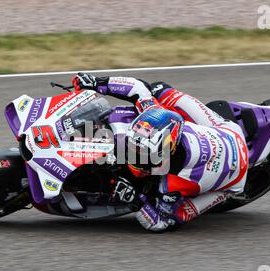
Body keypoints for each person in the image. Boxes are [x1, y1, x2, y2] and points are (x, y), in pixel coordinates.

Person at [72, 73, 248, 232]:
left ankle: (225, 192)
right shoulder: (155, 116)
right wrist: (96, 82)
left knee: (177, 217)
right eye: (134, 149)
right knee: (159, 89)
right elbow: (138, 87)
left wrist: (135, 201)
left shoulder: (174, 184)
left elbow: (159, 223)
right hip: (226, 133)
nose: (133, 157)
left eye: (141, 155)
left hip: (235, 178)